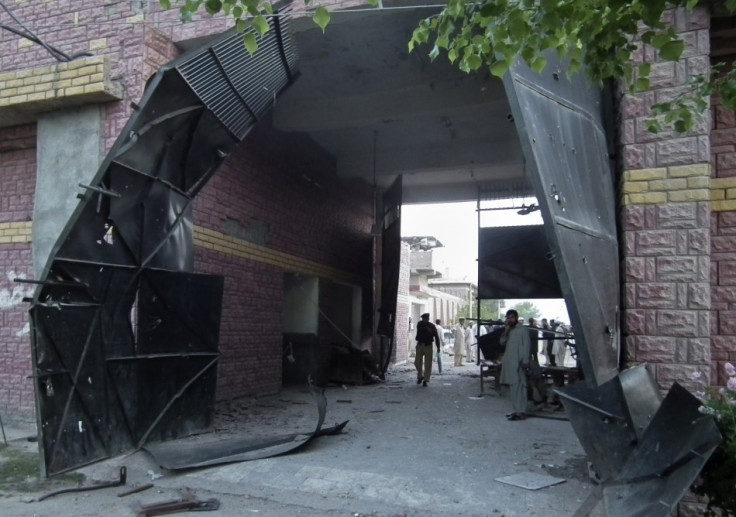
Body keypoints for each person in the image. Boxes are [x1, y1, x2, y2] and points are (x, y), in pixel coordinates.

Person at [499, 309, 531, 421]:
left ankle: (521, 412)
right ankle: (517, 409)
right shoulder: (509, 330)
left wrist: (526, 361)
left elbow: (526, 345)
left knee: (519, 387)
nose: (510, 320)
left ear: (516, 317)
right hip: (510, 363)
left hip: (519, 362)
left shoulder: (523, 330)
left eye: (512, 317)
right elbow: (501, 342)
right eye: (508, 318)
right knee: (513, 388)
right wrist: (506, 331)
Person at [414, 313, 440, 387]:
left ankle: (425, 380)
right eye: (423, 319)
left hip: (428, 345)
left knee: (428, 364)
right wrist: (426, 329)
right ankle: (420, 375)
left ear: (428, 319)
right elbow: (420, 330)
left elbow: (436, 337)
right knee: (417, 362)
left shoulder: (432, 326)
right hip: (419, 345)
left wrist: (438, 347)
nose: (424, 320)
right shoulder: (419, 324)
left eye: (425, 319)